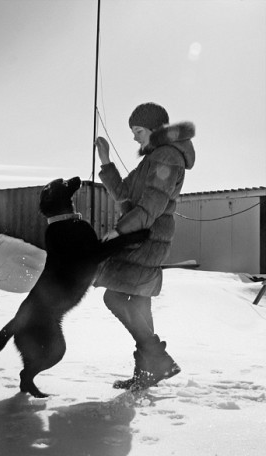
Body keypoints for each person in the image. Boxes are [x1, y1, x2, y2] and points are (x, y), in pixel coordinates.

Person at [94, 102, 195, 391]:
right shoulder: (155, 156)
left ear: (155, 129)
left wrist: (118, 231)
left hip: (147, 239)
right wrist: (106, 161)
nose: (134, 137)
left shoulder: (167, 157)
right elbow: (123, 193)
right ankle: (146, 373)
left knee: (114, 297)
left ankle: (159, 360)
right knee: (139, 302)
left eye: (138, 130)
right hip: (144, 236)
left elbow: (151, 207)